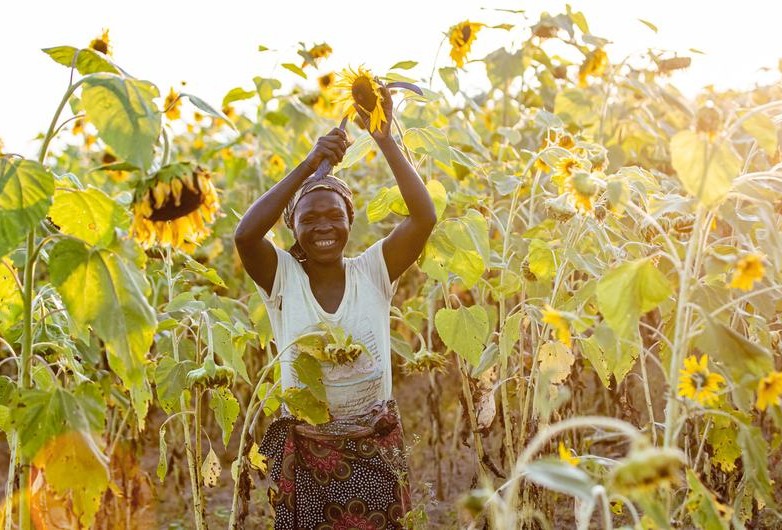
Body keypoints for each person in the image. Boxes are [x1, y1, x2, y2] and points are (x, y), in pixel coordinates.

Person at [234, 83, 437, 529]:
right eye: (309, 218)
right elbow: (246, 235)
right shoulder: (282, 278)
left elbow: (424, 217)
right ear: (293, 225)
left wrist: (383, 137)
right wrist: (308, 165)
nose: (323, 226)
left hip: (375, 444)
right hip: (308, 450)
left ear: (349, 222)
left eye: (334, 216)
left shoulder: (373, 271)